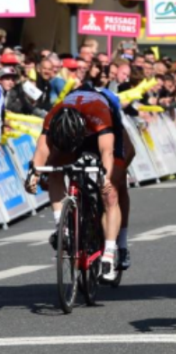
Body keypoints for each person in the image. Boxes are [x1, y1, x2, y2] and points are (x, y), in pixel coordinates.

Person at [25, 88, 129, 280]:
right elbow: (41, 150)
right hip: (69, 133)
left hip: (100, 130)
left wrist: (105, 178)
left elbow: (107, 151)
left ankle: (111, 252)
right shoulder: (53, 115)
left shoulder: (99, 111)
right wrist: (34, 174)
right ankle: (62, 227)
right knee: (55, 166)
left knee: (111, 190)